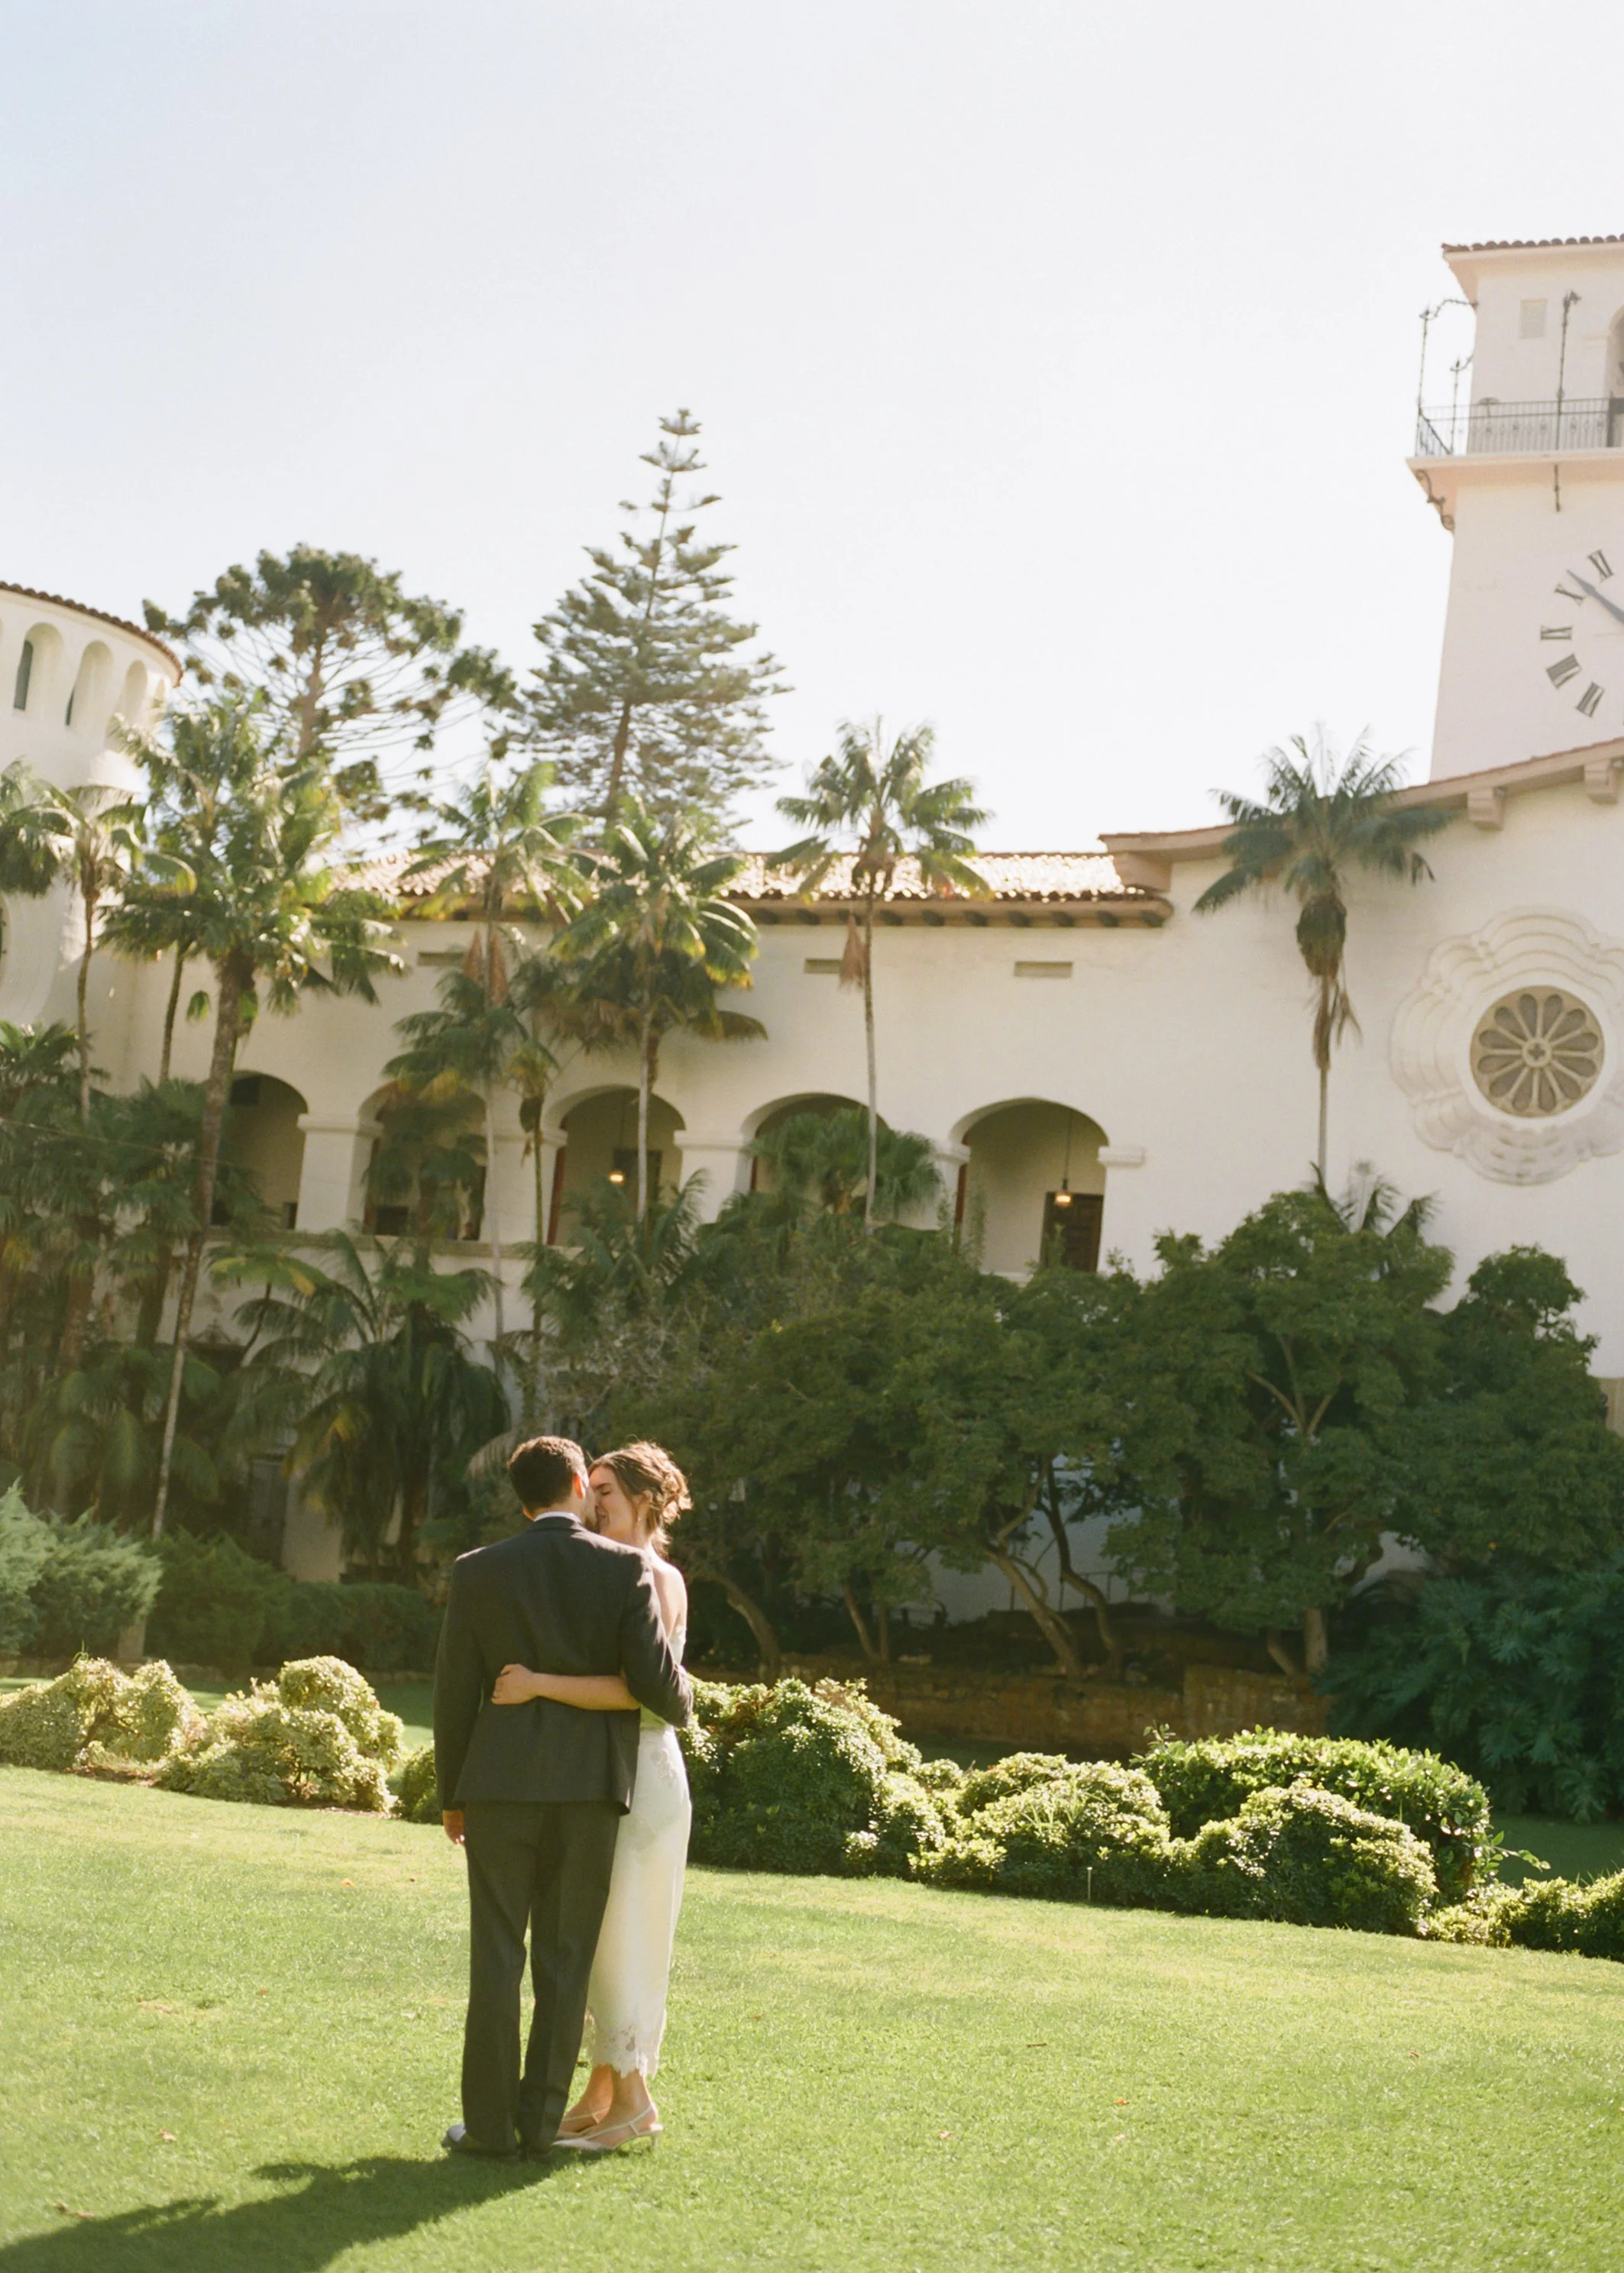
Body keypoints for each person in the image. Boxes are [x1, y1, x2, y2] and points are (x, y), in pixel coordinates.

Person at [433, 1433, 691, 2161]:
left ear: (522, 1502)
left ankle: (490, 2128)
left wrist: (452, 1796)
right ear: (579, 1484)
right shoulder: (624, 1569)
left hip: (498, 1790)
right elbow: (661, 1689)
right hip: (589, 1793)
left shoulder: (477, 1569)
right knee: (566, 1957)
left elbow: (454, 1693)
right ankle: (541, 2124)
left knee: (496, 1956)